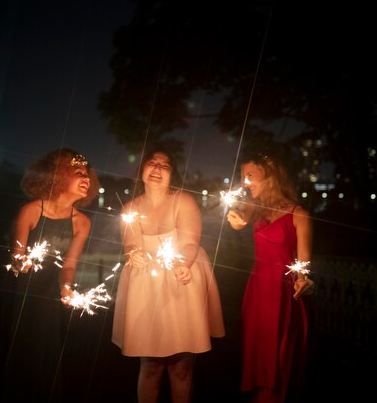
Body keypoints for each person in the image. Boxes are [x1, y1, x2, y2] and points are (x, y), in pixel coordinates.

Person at [112, 148, 226, 403]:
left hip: (180, 281)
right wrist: (132, 253)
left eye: (165, 166)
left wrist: (184, 264)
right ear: (141, 170)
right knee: (150, 365)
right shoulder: (130, 207)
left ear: (172, 175)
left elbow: (190, 242)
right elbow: (130, 242)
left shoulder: (183, 201)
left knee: (180, 366)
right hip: (146, 285)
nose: (158, 168)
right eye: (152, 163)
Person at [0, 148, 100, 403]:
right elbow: (16, 257)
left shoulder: (82, 222)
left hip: (48, 293)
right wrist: (20, 262)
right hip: (20, 292)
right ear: (58, 175)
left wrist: (66, 288)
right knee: (15, 353)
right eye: (78, 172)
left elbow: (69, 266)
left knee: (43, 352)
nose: (87, 179)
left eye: (88, 175)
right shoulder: (31, 210)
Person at [226, 151, 314, 403]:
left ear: (270, 175)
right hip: (257, 292)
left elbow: (304, 263)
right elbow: (236, 221)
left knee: (280, 357)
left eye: (250, 175)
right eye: (243, 177)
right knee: (258, 355)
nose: (245, 182)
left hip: (284, 293)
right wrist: (234, 221)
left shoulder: (300, 214)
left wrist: (303, 279)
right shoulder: (256, 212)